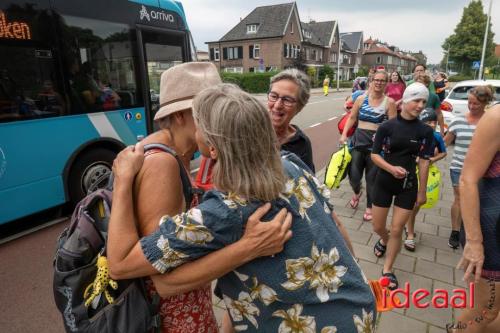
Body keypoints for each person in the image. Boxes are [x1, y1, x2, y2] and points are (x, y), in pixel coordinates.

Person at [107, 84, 377, 332]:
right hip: (358, 307)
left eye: (199, 126)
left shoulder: (224, 212)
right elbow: (337, 229)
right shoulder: (290, 164)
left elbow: (120, 265)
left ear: (212, 148)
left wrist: (122, 180)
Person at [116, 62, 292, 332]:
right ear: (179, 116)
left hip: (189, 300)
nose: (219, 117)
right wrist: (248, 246)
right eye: (208, 109)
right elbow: (160, 271)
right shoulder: (162, 163)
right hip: (173, 315)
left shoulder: (183, 155)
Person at [370, 82, 435, 289]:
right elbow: (374, 155)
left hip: (408, 185)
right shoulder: (387, 127)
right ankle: (384, 240)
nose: (420, 105)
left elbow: (424, 162)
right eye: (417, 100)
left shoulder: (425, 131)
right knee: (379, 226)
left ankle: (388, 270)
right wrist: (390, 168)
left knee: (397, 229)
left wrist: (422, 192)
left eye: (424, 101)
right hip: (384, 181)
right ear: (406, 100)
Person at [456, 104, 500, 333]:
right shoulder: (497, 117)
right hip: (492, 233)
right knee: (486, 309)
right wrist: (474, 242)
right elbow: (467, 179)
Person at [340, 70, 397, 222]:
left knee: (372, 180)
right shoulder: (360, 99)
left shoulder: (389, 103)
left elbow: (393, 127)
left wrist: (388, 142)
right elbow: (352, 118)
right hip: (358, 143)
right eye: (376, 80)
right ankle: (357, 192)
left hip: (375, 148)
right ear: (371, 81)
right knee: (354, 177)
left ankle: (369, 207)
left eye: (382, 81)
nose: (378, 83)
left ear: (386, 84)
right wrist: (344, 134)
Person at [444, 85, 494, 249]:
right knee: (460, 198)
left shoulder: (490, 123)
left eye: (476, 104)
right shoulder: (458, 120)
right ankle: (456, 230)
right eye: (469, 103)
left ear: (485, 103)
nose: (472, 107)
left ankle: (474, 230)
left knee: (478, 200)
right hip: (459, 167)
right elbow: (445, 143)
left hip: (484, 169)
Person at [404, 108, 447, 251]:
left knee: (417, 204)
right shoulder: (414, 134)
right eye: (428, 122)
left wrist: (432, 159)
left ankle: (407, 224)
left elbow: (443, 153)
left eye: (434, 121)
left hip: (426, 172)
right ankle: (410, 234)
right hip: (410, 172)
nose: (432, 124)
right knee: (412, 203)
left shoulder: (437, 137)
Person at [268, 69, 315, 172]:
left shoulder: (302, 143)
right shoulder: (250, 132)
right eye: (273, 96)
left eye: (287, 100)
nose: (277, 105)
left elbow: (307, 182)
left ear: (300, 107)